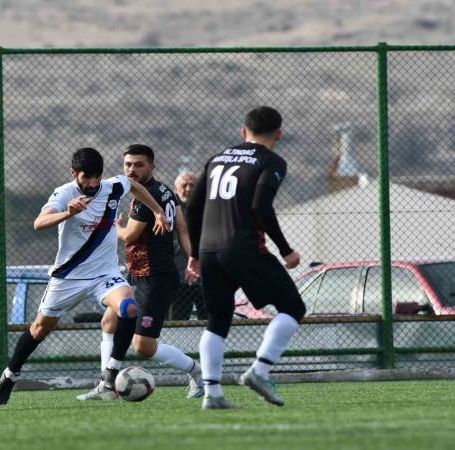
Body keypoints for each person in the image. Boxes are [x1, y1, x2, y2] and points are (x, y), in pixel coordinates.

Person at [0, 147, 169, 405]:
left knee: (128, 307)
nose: (93, 183)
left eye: (97, 176)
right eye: (87, 177)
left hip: (104, 275)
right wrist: (68, 213)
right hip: (69, 277)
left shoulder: (112, 186)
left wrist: (157, 211)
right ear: (74, 173)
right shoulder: (65, 193)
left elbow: (133, 185)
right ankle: (9, 375)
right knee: (40, 329)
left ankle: (110, 375)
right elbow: (39, 223)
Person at [186, 106, 306, 410]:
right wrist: (286, 249)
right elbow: (261, 206)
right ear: (278, 134)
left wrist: (194, 254)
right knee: (293, 307)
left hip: (209, 251)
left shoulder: (217, 159)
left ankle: (212, 394)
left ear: (243, 132)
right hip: (244, 247)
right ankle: (260, 371)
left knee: (217, 320)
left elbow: (193, 208)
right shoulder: (271, 160)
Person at [76, 145, 203, 401]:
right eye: (128, 165)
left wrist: (114, 226)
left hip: (155, 277)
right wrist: (193, 258)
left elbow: (130, 236)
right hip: (138, 273)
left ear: (151, 167)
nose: (132, 170)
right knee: (110, 320)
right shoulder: (166, 191)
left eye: (139, 165)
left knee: (144, 346)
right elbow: (182, 228)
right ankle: (106, 386)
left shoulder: (149, 197)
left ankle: (197, 373)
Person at [169, 171, 206, 320]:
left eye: (192, 185)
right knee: (177, 321)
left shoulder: (206, 208)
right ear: (176, 188)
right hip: (178, 277)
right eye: (184, 185)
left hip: (204, 276)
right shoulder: (168, 209)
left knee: (208, 319)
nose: (188, 189)